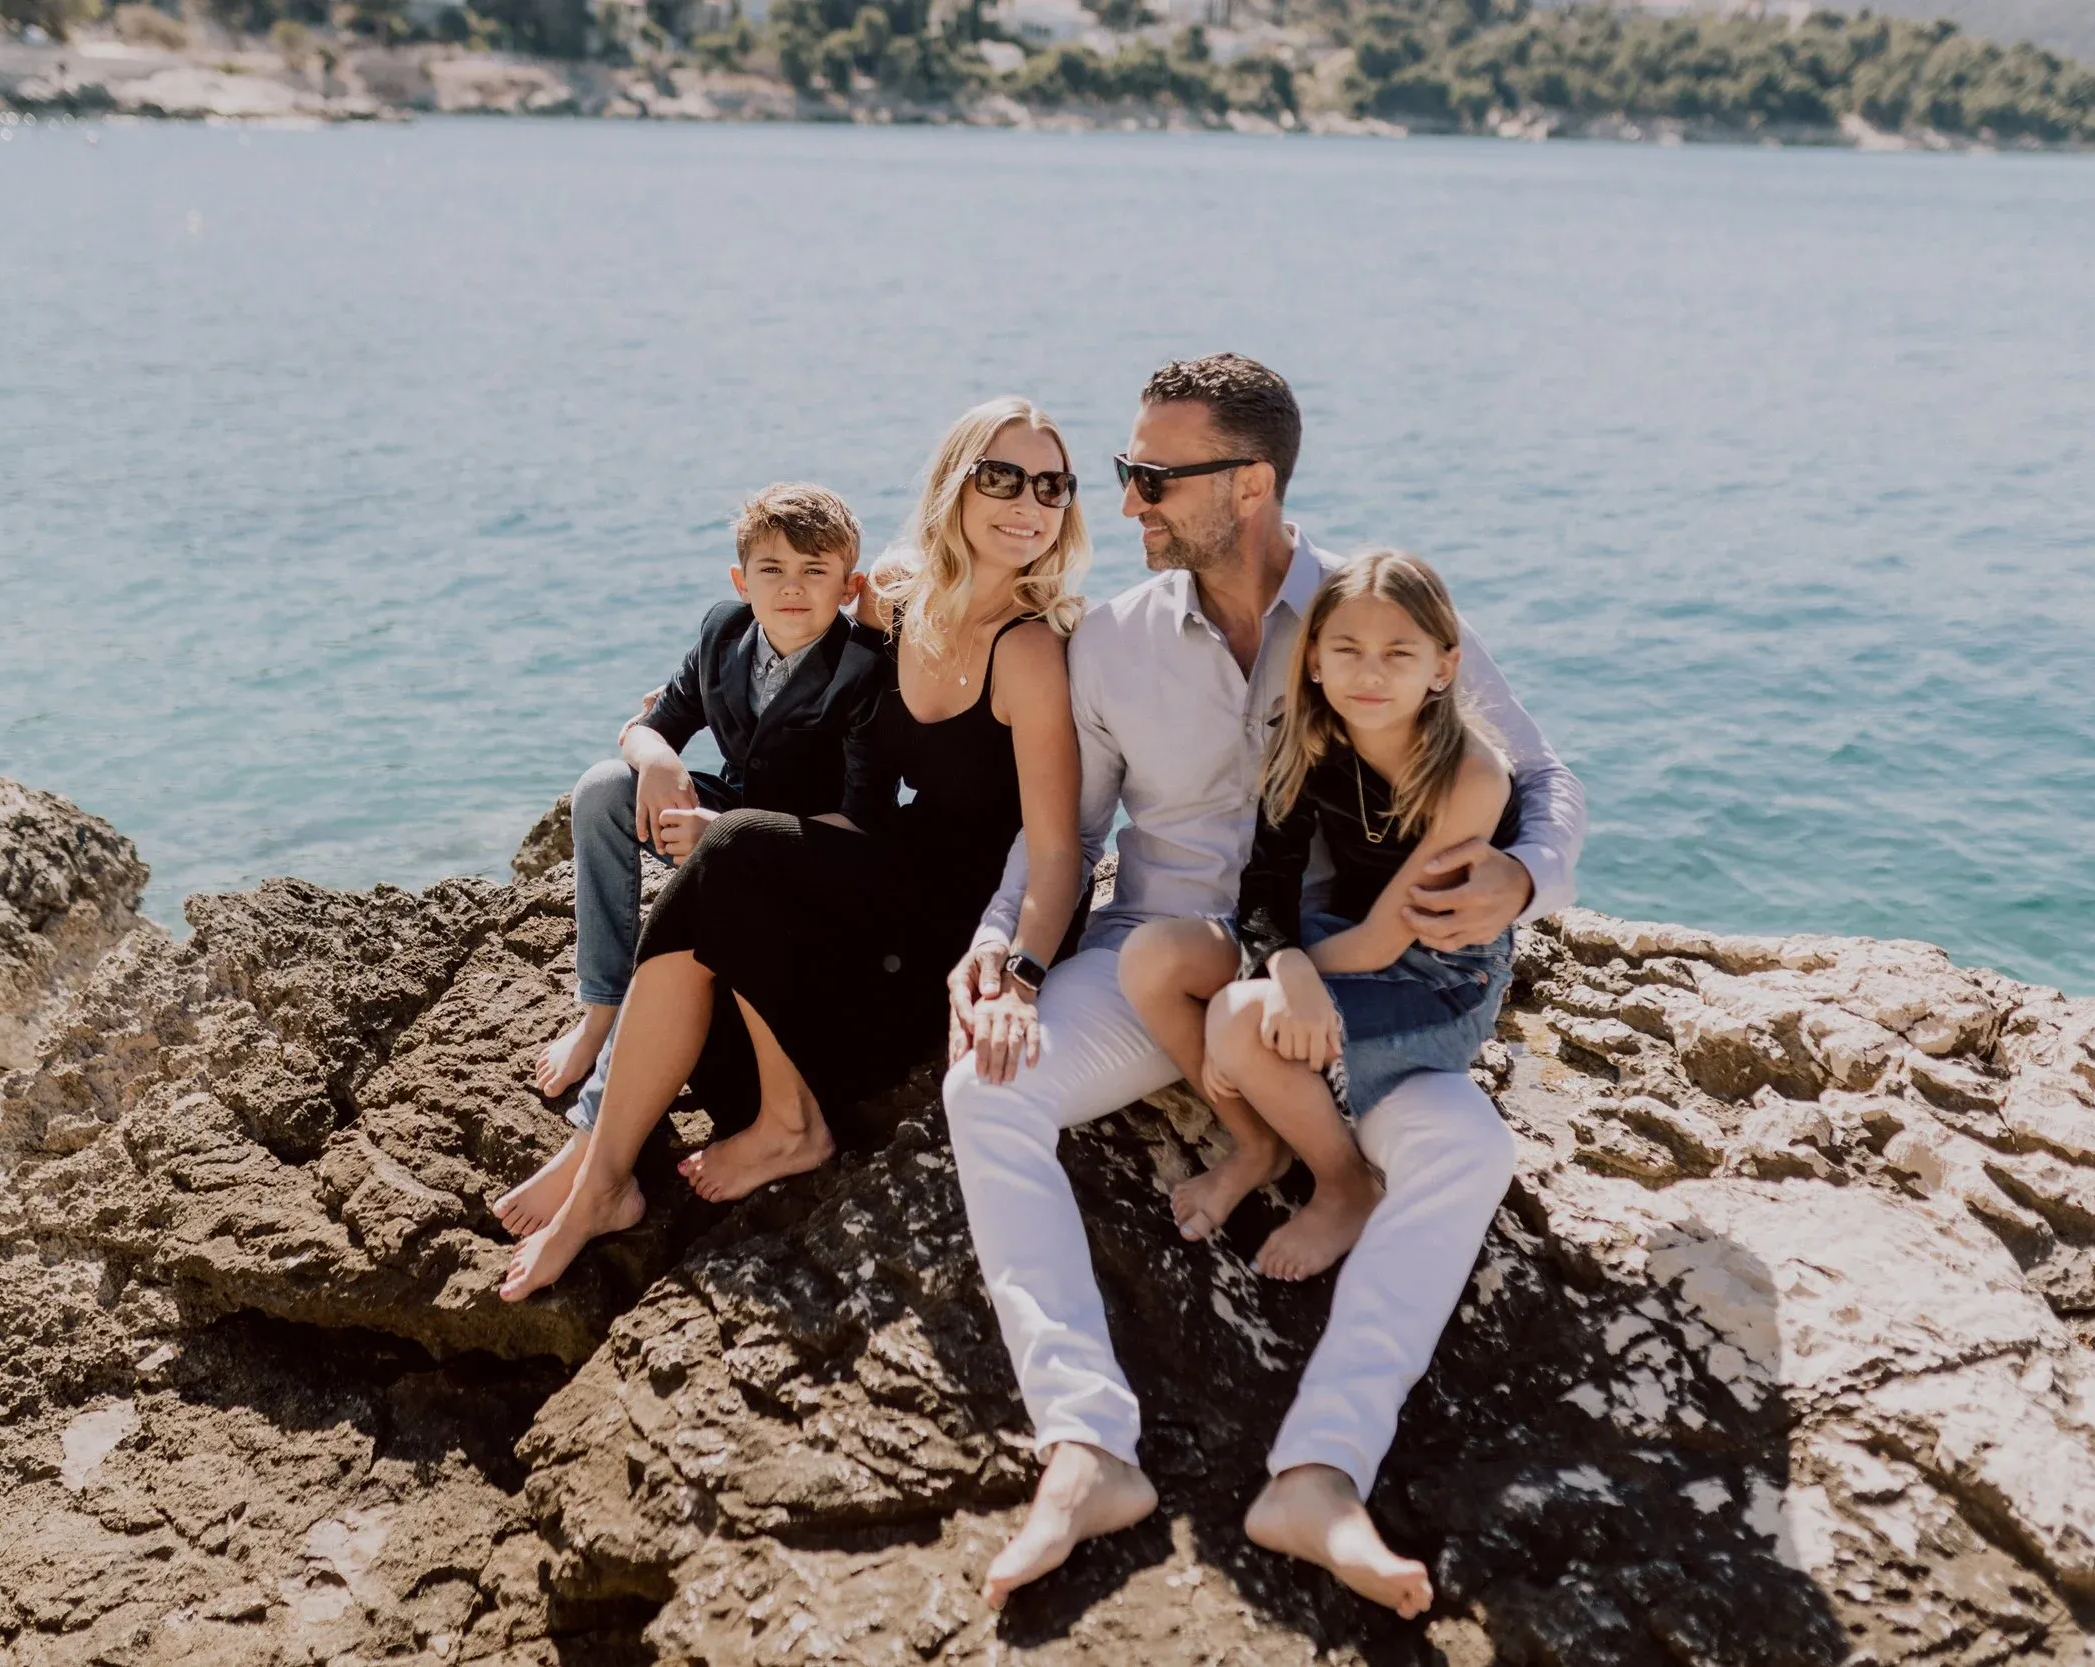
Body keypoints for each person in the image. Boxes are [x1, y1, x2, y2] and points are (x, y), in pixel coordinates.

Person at [939, 355, 1586, 1617]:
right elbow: (1061, 830)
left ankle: (1323, 1470)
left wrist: (1522, 880)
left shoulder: (1368, 611)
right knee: (986, 1085)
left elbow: (1540, 773)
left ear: (1248, 483)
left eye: (1147, 476)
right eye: (1122, 475)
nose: (1122, 503)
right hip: (1162, 954)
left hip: (1352, 975)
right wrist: (1002, 946)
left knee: (1465, 1148)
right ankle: (1085, 1445)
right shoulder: (1114, 639)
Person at [497, 397, 1091, 1299]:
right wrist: (651, 743)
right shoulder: (893, 596)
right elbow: (780, 622)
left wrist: (1017, 977)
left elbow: (1057, 852)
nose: (1028, 502)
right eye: (1001, 476)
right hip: (883, 865)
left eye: (1051, 486)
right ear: (954, 486)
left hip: (950, 914)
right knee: (714, 927)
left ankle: (781, 1126)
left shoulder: (1030, 651)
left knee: (733, 850)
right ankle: (599, 1174)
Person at [496, 485, 890, 1238]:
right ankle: (601, 1005)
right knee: (604, 789)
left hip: (806, 854)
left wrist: (726, 829)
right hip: (726, 820)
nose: (792, 588)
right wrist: (655, 759)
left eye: (815, 571)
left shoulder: (865, 669)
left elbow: (865, 818)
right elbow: (649, 725)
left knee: (727, 862)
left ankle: (593, 1144)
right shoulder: (724, 632)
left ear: (850, 585)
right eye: (771, 569)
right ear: (742, 582)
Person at [1122, 549, 1520, 1284]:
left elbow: (1389, 935)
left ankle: (1344, 1184)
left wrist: (1287, 978)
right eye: (1348, 649)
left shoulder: (1472, 774)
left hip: (1440, 977)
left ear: (1443, 665)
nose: (1370, 674)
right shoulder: (1308, 740)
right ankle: (1257, 1144)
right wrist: (1284, 961)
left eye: (1399, 653)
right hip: (1340, 938)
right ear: (1312, 662)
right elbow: (1265, 888)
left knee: (1239, 1018)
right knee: (1154, 958)